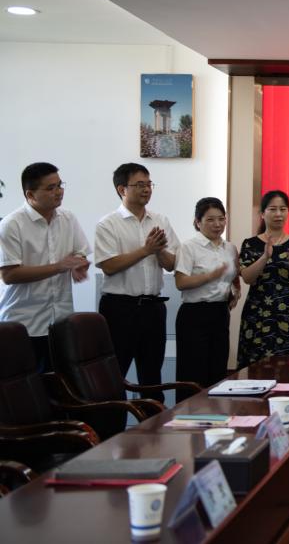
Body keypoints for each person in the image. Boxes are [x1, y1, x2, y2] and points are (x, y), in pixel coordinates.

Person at [95, 163, 179, 402]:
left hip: (153, 308)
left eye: (149, 184)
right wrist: (146, 250)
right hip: (120, 309)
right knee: (115, 375)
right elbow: (108, 265)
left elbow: (172, 264)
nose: (146, 189)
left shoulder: (160, 220)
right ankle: (114, 425)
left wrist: (159, 251)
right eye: (140, 184)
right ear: (122, 189)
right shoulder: (108, 223)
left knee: (151, 377)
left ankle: (152, 425)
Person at [0, 162, 90, 372]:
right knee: (25, 386)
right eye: (51, 188)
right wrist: (59, 267)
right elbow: (9, 274)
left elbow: (80, 251)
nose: (59, 192)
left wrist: (78, 263)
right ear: (30, 194)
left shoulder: (68, 218)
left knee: (59, 385)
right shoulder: (11, 225)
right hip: (24, 324)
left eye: (60, 185)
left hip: (60, 321)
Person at [173, 197, 239, 397]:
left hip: (220, 313)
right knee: (193, 374)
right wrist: (210, 276)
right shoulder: (189, 247)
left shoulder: (230, 248)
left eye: (221, 219)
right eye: (210, 219)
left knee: (217, 372)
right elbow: (180, 282)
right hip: (194, 315)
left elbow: (234, 277)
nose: (217, 224)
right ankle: (187, 414)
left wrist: (234, 292)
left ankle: (215, 413)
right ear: (198, 222)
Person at [237, 190, 289, 367]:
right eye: (273, 209)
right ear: (262, 214)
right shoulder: (250, 244)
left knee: (288, 366)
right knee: (255, 367)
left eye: (283, 209)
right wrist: (264, 257)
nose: (278, 214)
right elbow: (247, 278)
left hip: (287, 312)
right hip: (257, 312)